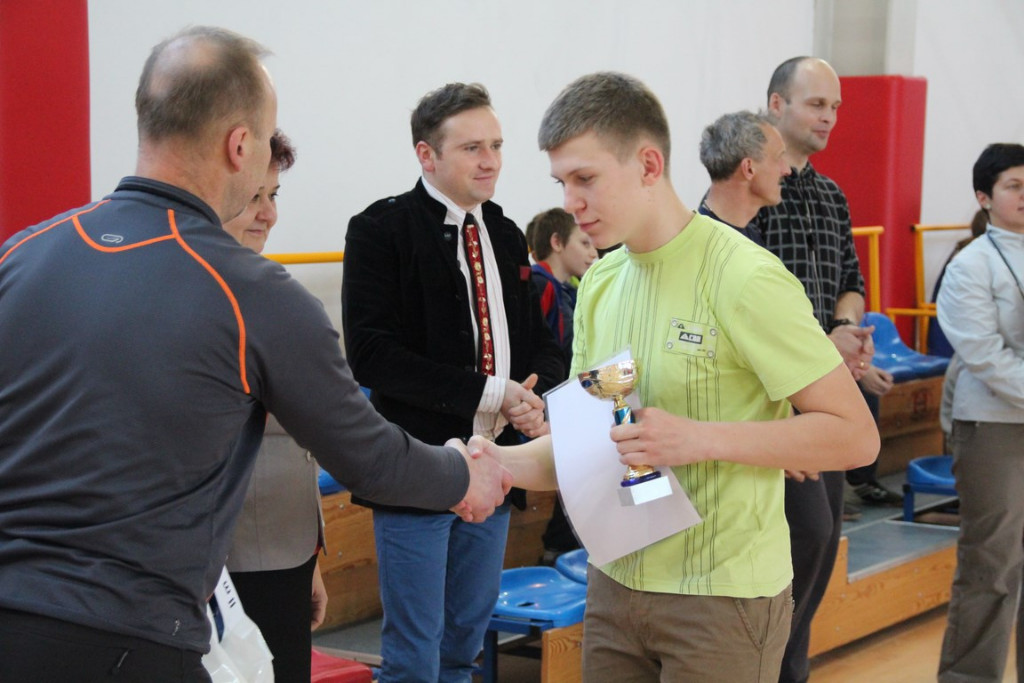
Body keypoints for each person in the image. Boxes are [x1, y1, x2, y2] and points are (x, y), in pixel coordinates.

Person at [0, 27, 509, 683]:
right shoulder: (249, 290)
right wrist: (466, 474)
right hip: (127, 638)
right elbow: (372, 459)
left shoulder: (22, 254)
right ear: (241, 145)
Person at [475, 71, 879, 682]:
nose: (572, 201)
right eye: (562, 183)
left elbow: (855, 436)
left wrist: (699, 439)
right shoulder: (600, 284)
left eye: (586, 179)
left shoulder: (746, 277)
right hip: (613, 586)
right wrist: (491, 462)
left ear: (648, 164)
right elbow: (592, 449)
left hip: (721, 599)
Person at [341, 83, 564, 683]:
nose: (490, 161)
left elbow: (543, 342)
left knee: (464, 646)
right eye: (472, 148)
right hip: (418, 465)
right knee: (414, 657)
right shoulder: (380, 229)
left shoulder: (507, 232)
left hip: (498, 465)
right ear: (426, 155)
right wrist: (494, 393)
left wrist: (534, 397)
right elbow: (372, 356)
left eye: (496, 145)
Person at [745, 56, 891, 683]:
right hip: (773, 403)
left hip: (828, 396)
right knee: (802, 534)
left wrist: (847, 329)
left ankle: (789, 669)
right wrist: (825, 343)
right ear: (776, 105)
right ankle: (765, 666)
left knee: (823, 539)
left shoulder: (831, 194)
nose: (829, 117)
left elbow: (851, 282)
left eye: (835, 107)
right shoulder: (750, 193)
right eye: (816, 104)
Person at [220, 130, 327, 683]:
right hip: (226, 562)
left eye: (274, 195)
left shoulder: (272, 290)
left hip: (284, 548)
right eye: (253, 197)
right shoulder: (200, 295)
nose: (269, 214)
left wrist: (310, 555)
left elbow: (302, 444)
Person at [937, 142, 1024, 682]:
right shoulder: (971, 264)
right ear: (984, 197)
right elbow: (985, 357)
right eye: (1014, 186)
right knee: (992, 564)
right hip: (993, 427)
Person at [524, 207, 597, 564]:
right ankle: (558, 551)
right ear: (557, 243)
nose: (593, 252)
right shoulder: (540, 286)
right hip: (549, 410)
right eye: (584, 243)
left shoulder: (570, 290)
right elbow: (541, 355)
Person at [696, 109, 792, 241]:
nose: (787, 170)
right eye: (778, 158)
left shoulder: (750, 237)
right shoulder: (702, 242)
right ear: (749, 168)